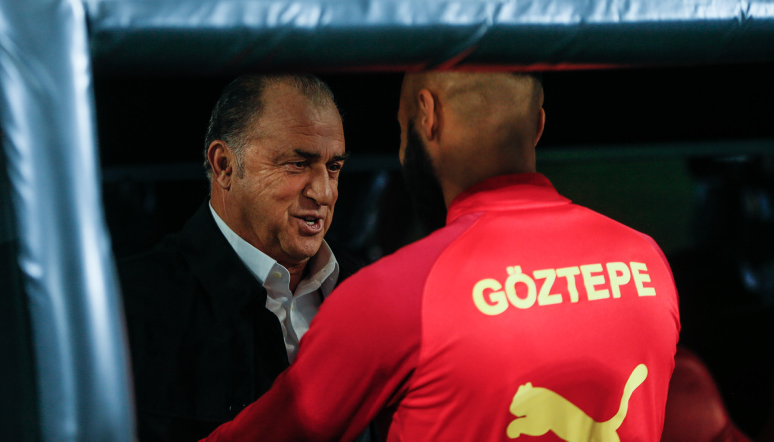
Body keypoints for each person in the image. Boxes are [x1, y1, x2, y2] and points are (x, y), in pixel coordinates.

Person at [202, 71, 681, 442]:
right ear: (538, 125)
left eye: (402, 127)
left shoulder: (395, 294)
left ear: (427, 116)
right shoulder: (647, 262)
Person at [118, 74, 363, 442]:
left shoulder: (368, 293)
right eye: (298, 164)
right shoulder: (129, 306)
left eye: (334, 167)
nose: (324, 192)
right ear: (224, 166)